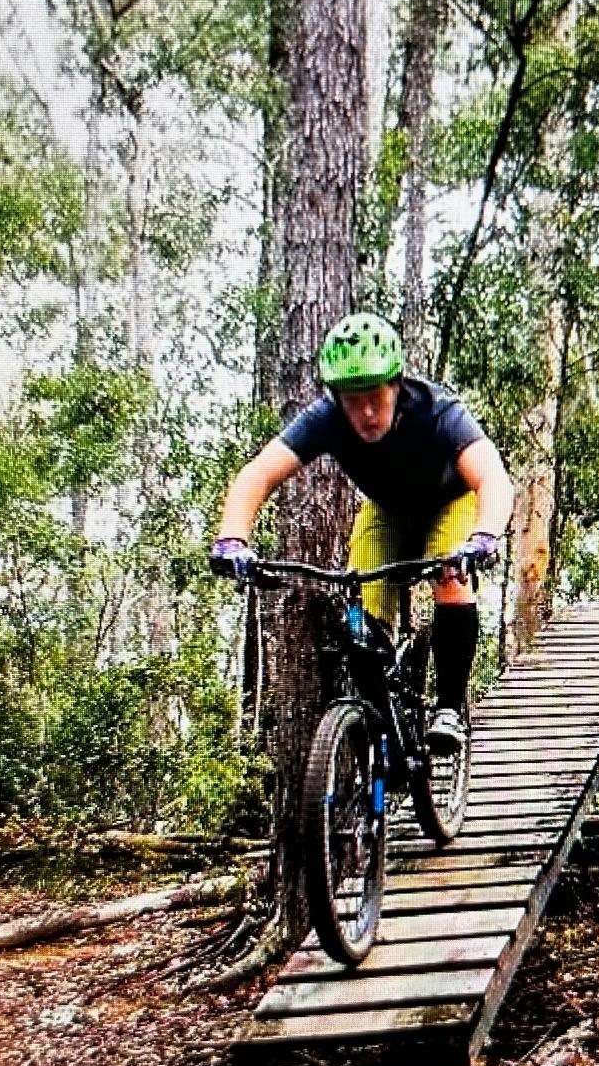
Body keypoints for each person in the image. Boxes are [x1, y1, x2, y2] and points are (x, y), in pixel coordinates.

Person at [209, 312, 513, 753]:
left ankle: (449, 706)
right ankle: (379, 724)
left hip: (450, 504)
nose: (366, 413)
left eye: (375, 397)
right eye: (353, 401)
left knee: (452, 576)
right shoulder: (325, 419)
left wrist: (484, 535)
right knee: (359, 615)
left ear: (397, 385)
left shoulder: (437, 410)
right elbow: (259, 474)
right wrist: (232, 539)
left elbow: (491, 477)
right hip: (386, 512)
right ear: (337, 399)